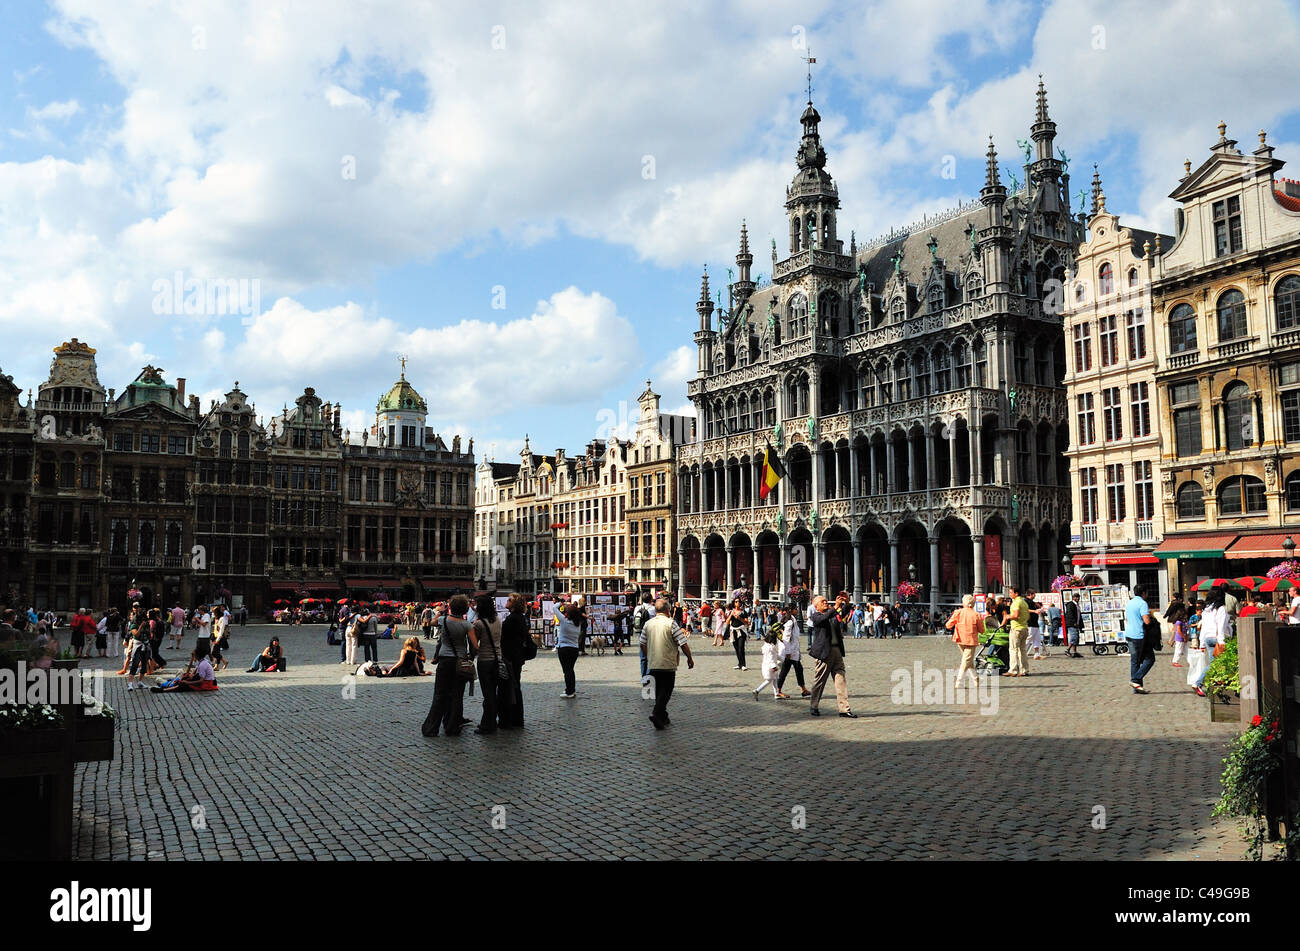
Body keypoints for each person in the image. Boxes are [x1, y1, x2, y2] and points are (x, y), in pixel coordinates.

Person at [420, 595, 479, 737]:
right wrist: (470, 655)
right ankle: (452, 727)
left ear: (451, 607)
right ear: (465, 609)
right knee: (457, 695)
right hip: (460, 661)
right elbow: (475, 645)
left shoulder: (443, 620)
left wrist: (442, 611)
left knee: (440, 694)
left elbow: (430, 622)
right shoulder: (467, 625)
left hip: (445, 660)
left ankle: (431, 728)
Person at [642, 597, 693, 729]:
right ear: (667, 610)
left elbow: (642, 642)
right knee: (666, 691)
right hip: (667, 663)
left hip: (653, 663)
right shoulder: (671, 623)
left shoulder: (648, 624)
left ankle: (663, 716)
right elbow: (683, 643)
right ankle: (656, 713)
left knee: (659, 690)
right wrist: (689, 658)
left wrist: (648, 655)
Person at [807, 593, 856, 717]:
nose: (826, 603)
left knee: (841, 679)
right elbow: (822, 620)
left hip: (836, 651)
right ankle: (814, 705)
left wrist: (847, 602)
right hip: (824, 652)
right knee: (820, 680)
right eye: (823, 602)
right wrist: (835, 607)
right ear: (816, 606)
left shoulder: (832, 614)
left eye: (826, 601)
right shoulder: (815, 616)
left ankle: (844, 709)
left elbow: (842, 613)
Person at [470, 595, 507, 735]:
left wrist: (470, 656)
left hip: (485, 660)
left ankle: (488, 724)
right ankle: (491, 720)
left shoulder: (479, 624)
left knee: (488, 693)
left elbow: (474, 645)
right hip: (498, 659)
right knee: (493, 691)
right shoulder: (498, 620)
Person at [499, 594, 533, 728]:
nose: (506, 601)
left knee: (510, 688)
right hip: (516, 657)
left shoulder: (513, 618)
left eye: (509, 600)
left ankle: (510, 719)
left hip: (511, 657)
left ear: (514, 604)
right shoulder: (520, 618)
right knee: (514, 686)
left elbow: (507, 638)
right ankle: (516, 718)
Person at [946, 594, 986, 690]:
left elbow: (948, 625)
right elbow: (982, 630)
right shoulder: (977, 615)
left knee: (967, 660)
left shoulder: (958, 612)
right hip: (971, 641)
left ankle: (974, 679)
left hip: (960, 639)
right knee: (966, 660)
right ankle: (960, 682)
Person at [1193, 593, 1228, 697]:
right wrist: (1221, 641)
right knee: (1214, 664)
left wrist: (1202, 643)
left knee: (1213, 664)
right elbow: (1221, 625)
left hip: (1207, 638)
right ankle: (1198, 683)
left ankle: (1212, 686)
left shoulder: (1205, 610)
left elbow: (1203, 627)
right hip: (1217, 638)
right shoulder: (1221, 609)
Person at [1124, 584, 1154, 694]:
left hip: (1129, 634)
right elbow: (1146, 621)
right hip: (1140, 635)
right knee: (1150, 659)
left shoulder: (1129, 603)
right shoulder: (1142, 603)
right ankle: (1135, 679)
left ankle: (1137, 687)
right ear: (1143, 593)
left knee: (1135, 660)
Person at [775, 604, 810, 699]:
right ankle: (778, 690)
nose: (797, 610)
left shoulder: (792, 620)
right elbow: (786, 638)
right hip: (790, 652)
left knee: (799, 669)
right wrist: (788, 652)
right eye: (796, 609)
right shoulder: (790, 622)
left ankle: (803, 689)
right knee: (785, 671)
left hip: (794, 651)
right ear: (791, 610)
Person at [152, 644, 219, 692]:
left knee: (183, 685)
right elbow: (189, 672)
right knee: (184, 677)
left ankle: (164, 690)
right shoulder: (202, 661)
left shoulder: (203, 664)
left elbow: (201, 680)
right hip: (205, 682)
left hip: (206, 684)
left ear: (197, 655)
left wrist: (187, 682)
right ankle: (166, 686)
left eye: (194, 655)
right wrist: (192, 659)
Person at [554, 603, 582, 698]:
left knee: (566, 671)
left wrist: (561, 603)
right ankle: (572, 689)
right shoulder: (577, 624)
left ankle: (569, 691)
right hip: (574, 649)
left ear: (568, 614)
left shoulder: (563, 620)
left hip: (564, 648)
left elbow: (554, 608)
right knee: (571, 670)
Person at [1005, 586, 1030, 677]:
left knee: (1013, 649)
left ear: (1016, 593)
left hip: (1016, 628)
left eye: (1011, 592)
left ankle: (1013, 670)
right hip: (1024, 627)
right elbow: (1028, 616)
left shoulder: (1016, 602)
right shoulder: (1024, 602)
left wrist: (1008, 616)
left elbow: (1016, 615)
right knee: (1022, 650)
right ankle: (1024, 670)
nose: (1010, 594)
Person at [750, 630, 782, 700]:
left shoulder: (766, 646)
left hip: (767, 665)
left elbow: (775, 655)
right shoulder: (771, 647)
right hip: (770, 666)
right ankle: (757, 690)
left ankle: (776, 693)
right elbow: (771, 658)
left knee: (775, 680)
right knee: (769, 680)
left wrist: (781, 659)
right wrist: (774, 666)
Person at [727, 598, 749, 670]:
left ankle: (743, 664)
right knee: (736, 648)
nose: (738, 603)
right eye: (736, 602)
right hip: (733, 631)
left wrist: (739, 618)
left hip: (741, 631)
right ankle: (739, 664)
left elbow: (747, 623)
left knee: (741, 648)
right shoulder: (731, 612)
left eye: (739, 601)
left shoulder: (743, 612)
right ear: (734, 603)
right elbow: (727, 622)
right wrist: (731, 615)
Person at [1062, 592, 1083, 658]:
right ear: (1073, 598)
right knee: (1074, 637)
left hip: (1076, 624)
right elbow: (1070, 615)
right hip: (1072, 624)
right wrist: (1074, 622)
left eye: (1078, 597)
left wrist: (1081, 625)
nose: (1077, 599)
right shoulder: (1071, 605)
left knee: (1076, 638)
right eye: (1076, 597)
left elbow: (1079, 615)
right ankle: (1067, 650)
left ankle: (1074, 652)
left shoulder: (1077, 605)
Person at [1026, 589, 1045, 660]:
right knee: (1029, 638)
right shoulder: (1026, 601)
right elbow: (1025, 609)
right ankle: (1023, 653)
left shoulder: (1032, 602)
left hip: (1035, 623)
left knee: (1037, 639)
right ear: (1030, 594)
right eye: (1034, 594)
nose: (1035, 595)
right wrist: (1034, 611)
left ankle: (1037, 654)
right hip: (1030, 622)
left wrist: (1039, 609)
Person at [210, 606, 229, 671]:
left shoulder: (222, 619)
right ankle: (217, 666)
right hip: (215, 636)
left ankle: (224, 661)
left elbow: (221, 630)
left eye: (214, 612)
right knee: (217, 651)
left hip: (220, 637)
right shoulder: (215, 619)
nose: (213, 614)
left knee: (213, 652)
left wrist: (218, 639)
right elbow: (215, 629)